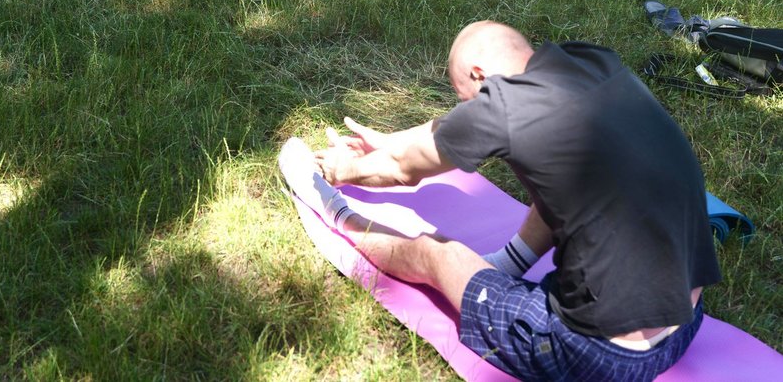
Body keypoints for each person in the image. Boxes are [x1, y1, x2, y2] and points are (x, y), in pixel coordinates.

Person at [280, 20, 721, 382]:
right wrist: (390, 140)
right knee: (565, 179)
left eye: (465, 100)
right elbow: (441, 133)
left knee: (439, 254)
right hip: (686, 322)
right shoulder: (590, 62)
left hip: (602, 357)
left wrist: (338, 171)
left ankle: (332, 211)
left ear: (479, 75)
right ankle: (505, 265)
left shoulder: (504, 107)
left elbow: (401, 169)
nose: (467, 111)